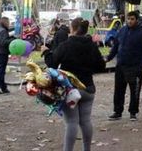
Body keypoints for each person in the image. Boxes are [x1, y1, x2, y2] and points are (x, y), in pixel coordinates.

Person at [43, 18, 106, 151]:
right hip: (88, 88)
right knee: (86, 121)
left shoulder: (66, 45)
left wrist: (46, 52)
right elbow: (101, 66)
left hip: (70, 89)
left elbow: (52, 63)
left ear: (73, 29)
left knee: (71, 123)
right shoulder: (92, 45)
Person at [106, 10, 142, 121]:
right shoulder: (122, 31)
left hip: (134, 67)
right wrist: (108, 58)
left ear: (136, 20)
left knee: (134, 91)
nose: (130, 21)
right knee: (119, 90)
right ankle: (117, 111)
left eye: (132, 19)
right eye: (128, 19)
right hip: (121, 65)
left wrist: (141, 66)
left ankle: (133, 112)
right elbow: (116, 46)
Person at [0, 17, 14, 95]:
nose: (9, 24)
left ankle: (3, 87)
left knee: (1, 70)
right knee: (1, 71)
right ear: (5, 22)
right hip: (2, 52)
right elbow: (4, 42)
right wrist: (12, 39)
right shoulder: (3, 31)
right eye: (8, 22)